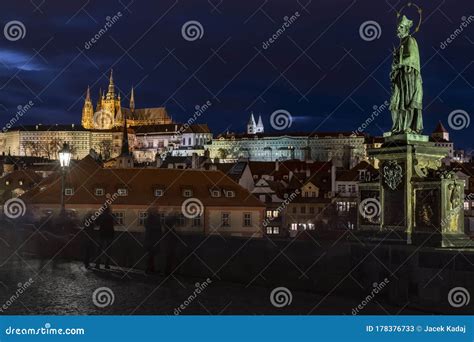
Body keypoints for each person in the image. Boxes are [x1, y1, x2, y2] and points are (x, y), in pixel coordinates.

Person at [144, 207, 162, 274]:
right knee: (152, 254)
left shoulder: (149, 218)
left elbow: (147, 228)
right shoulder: (153, 219)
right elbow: (156, 228)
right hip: (153, 239)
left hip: (150, 239)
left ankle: (149, 268)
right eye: (156, 211)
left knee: (151, 254)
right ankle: (150, 269)